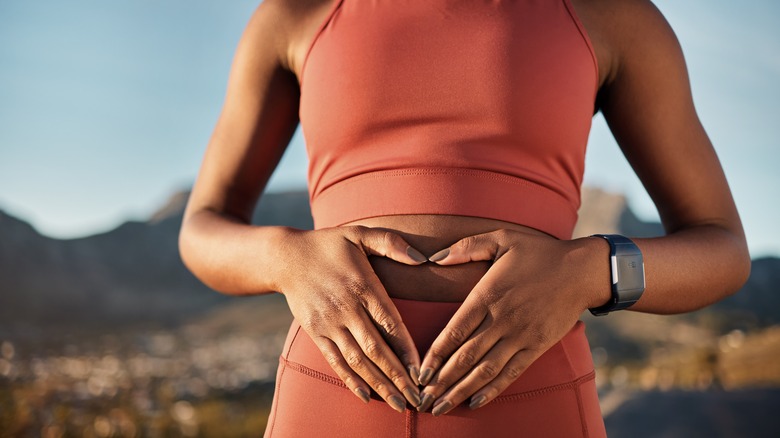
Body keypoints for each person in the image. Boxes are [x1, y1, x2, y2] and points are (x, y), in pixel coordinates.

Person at [178, 0, 750, 436]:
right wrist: (286, 259)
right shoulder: (297, 14)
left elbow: (722, 250)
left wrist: (587, 271)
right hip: (330, 395)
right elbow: (202, 228)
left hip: (533, 403)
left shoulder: (612, 16)